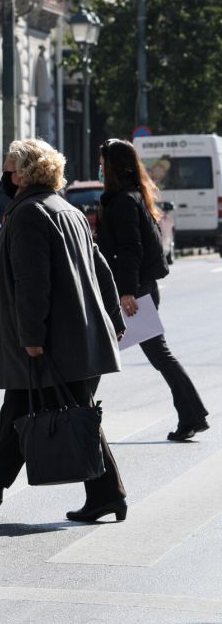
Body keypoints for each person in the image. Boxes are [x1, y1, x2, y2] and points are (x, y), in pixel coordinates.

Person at [0, 139, 129, 523]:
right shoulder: (65, 209)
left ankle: (108, 494)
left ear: (23, 174)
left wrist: (31, 337)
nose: (5, 175)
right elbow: (100, 269)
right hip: (76, 338)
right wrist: (114, 320)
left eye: (9, 168)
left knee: (71, 414)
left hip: (53, 342)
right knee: (20, 410)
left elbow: (32, 282)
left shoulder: (31, 213)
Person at [97, 139, 208, 441]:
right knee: (107, 352)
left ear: (112, 166)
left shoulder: (122, 202)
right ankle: (192, 415)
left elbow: (130, 249)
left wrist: (128, 292)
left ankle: (193, 415)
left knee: (141, 354)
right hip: (137, 288)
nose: (100, 167)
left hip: (134, 291)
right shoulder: (132, 196)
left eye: (102, 161)